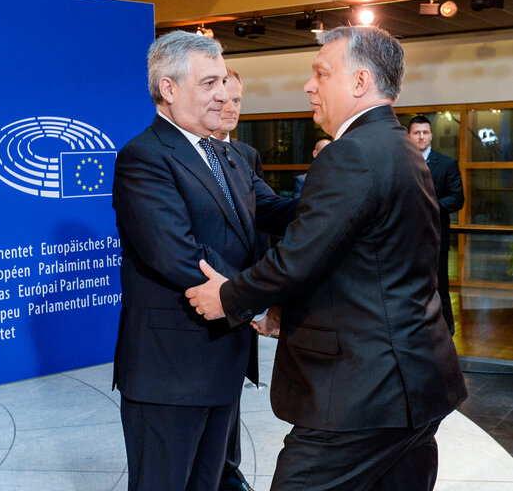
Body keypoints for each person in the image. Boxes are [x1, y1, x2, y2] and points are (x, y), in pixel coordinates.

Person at [186, 25, 467, 490]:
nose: (308, 86)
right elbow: (363, 263)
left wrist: (230, 297)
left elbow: (300, 257)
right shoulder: (399, 147)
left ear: (359, 83)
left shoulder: (350, 154)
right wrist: (283, 308)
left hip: (364, 393)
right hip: (417, 380)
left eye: (320, 73)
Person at [112, 30, 296, 491]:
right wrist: (256, 300)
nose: (223, 95)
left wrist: (338, 189)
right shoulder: (144, 157)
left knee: (210, 482)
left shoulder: (226, 154)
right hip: (170, 369)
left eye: (223, 82)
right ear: (168, 89)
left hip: (222, 357)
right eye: (209, 83)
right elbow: (178, 254)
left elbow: (268, 211)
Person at [212, 67, 270, 491]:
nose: (230, 107)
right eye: (223, 98)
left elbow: (262, 218)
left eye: (237, 100)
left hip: (242, 291)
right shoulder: (174, 156)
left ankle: (229, 471)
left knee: (232, 386)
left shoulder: (246, 155)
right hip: (210, 293)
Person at [408, 115, 465, 335]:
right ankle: (415, 332)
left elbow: (457, 199)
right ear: (409, 136)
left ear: (431, 135)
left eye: (425, 132)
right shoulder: (401, 162)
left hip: (436, 236)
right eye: (416, 132)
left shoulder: (447, 164)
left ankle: (446, 331)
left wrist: (429, 205)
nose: (421, 137)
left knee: (439, 284)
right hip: (405, 236)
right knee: (410, 285)